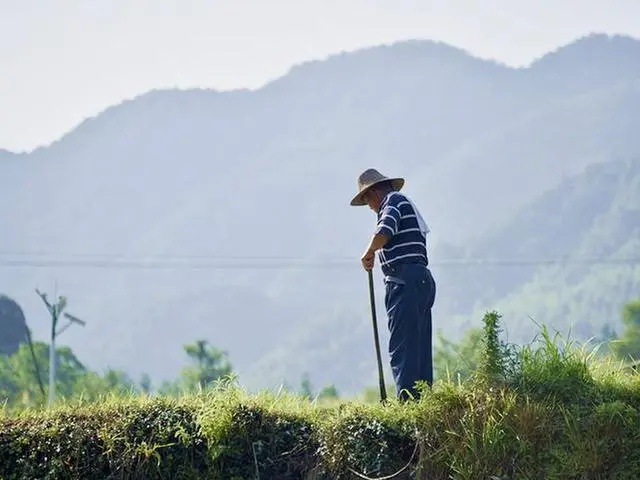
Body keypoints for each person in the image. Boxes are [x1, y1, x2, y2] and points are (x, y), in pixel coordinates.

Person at [350, 168, 436, 401]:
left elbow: (384, 230)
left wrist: (369, 252)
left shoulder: (392, 201)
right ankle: (423, 402)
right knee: (418, 347)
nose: (369, 206)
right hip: (420, 279)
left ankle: (408, 403)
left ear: (375, 192)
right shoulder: (403, 203)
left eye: (367, 199)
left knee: (403, 348)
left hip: (404, 281)